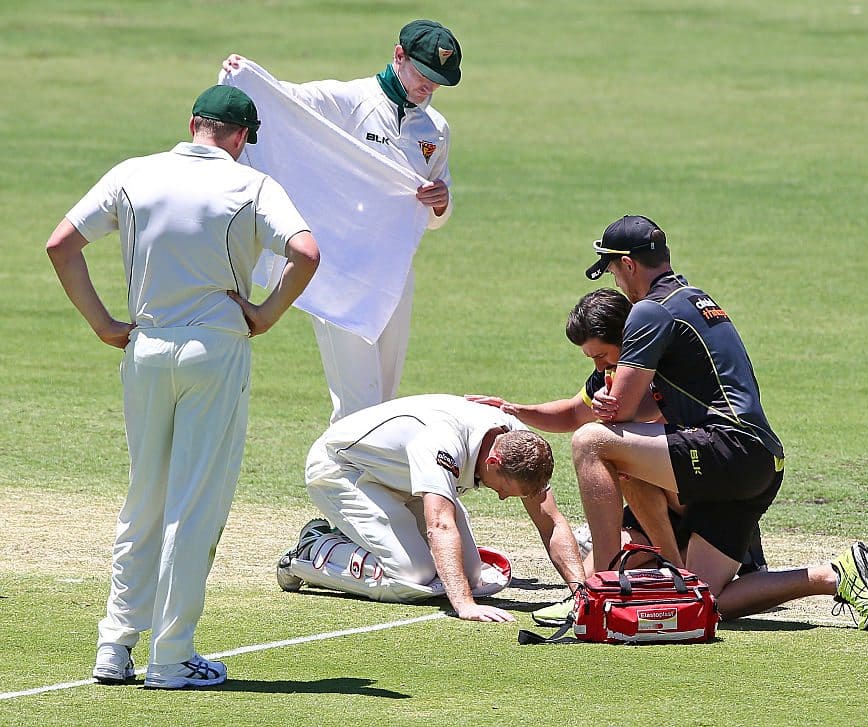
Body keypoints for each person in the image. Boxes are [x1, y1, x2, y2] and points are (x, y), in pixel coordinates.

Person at [46, 85, 320, 688]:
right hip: (214, 349)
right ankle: (170, 657)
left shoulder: (134, 173)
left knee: (143, 498)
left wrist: (103, 324)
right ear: (243, 138)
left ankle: (114, 647)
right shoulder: (253, 186)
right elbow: (305, 252)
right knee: (193, 505)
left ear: (193, 122)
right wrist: (266, 314)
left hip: (144, 347)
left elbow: (61, 244)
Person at [572, 215, 868, 630]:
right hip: (761, 460)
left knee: (591, 443)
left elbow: (624, 413)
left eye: (613, 269)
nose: (615, 281)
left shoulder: (649, 310)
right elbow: (657, 404)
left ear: (629, 265)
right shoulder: (694, 298)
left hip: (728, 449)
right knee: (701, 602)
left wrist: (606, 404)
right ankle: (833, 576)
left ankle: (600, 586)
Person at [468, 288, 768, 625]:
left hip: (702, 485)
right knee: (592, 572)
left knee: (602, 449)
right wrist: (513, 410)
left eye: (602, 355)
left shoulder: (665, 358)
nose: (598, 365)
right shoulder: (611, 370)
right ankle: (661, 569)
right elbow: (570, 414)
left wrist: (627, 413)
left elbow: (678, 431)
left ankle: (656, 573)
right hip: (662, 501)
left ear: (627, 337)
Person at [223, 19, 460, 422]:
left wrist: (441, 202)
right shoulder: (347, 99)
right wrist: (246, 77)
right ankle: (340, 481)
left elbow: (436, 214)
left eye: (439, 81)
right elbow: (284, 104)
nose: (429, 87)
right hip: (339, 271)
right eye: (424, 75)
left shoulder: (435, 129)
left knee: (384, 397)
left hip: (394, 271)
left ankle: (367, 479)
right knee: (358, 402)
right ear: (398, 56)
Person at [276, 394, 586, 623]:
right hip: (342, 469)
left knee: (470, 574)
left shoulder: (519, 444)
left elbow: (552, 523)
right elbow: (440, 524)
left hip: (401, 478)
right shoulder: (443, 442)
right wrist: (465, 605)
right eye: (505, 490)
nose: (503, 498)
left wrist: (581, 594)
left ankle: (359, 542)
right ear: (493, 462)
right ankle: (311, 549)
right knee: (413, 574)